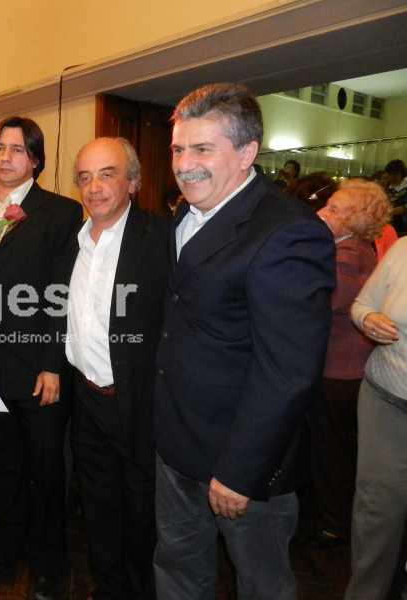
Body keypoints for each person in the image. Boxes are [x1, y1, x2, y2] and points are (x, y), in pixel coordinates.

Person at [153, 82, 336, 600]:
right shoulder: (184, 215)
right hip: (176, 446)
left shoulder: (288, 231)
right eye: (178, 149)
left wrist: (239, 471)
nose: (184, 164)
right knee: (177, 572)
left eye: (202, 149)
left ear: (247, 152)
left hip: (241, 464)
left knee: (262, 586)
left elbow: (288, 371)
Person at [0, 116, 82, 600]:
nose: (6, 157)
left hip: (38, 368)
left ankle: (49, 565)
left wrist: (53, 364)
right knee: (1, 468)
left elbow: (63, 293)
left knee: (46, 472)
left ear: (35, 159)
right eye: (0, 148)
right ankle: (3, 554)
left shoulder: (60, 212)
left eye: (18, 149)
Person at [64, 138, 168, 599]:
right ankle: (108, 588)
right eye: (85, 177)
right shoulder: (73, 241)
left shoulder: (161, 238)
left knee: (142, 511)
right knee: (99, 503)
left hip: (140, 402)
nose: (94, 187)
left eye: (107, 174)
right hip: (85, 399)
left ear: (133, 182)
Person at [311, 179, 391, 549]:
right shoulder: (352, 250)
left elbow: (322, 303)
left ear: (354, 220)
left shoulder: (348, 258)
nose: (321, 213)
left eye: (333, 209)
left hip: (339, 370)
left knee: (333, 450)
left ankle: (334, 523)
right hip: (347, 367)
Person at [345, 236, 407, 600]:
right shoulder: (403, 249)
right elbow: (361, 305)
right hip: (386, 400)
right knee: (376, 512)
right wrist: (369, 319)